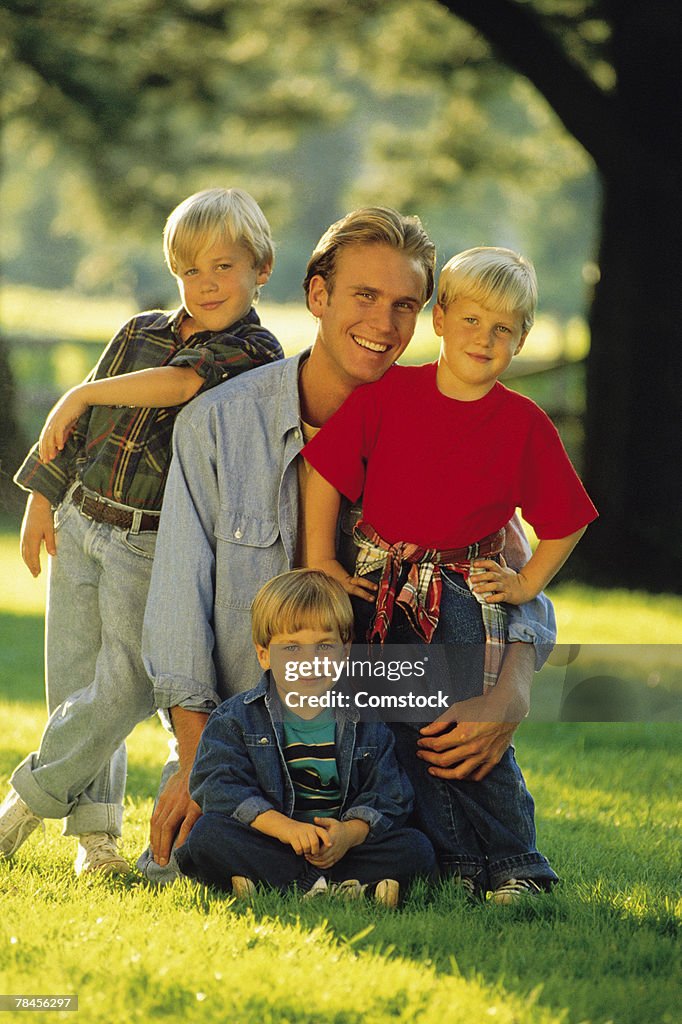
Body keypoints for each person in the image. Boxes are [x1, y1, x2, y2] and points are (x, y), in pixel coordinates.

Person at [139, 208, 557, 882]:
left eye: (405, 305)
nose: (385, 325)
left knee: (421, 854)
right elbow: (176, 606)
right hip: (257, 737)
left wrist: (510, 690)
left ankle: (468, 859)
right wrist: (194, 756)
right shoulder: (217, 426)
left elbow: (509, 576)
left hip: (377, 746)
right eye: (365, 296)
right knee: (189, 856)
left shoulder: (447, 425)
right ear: (317, 295)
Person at [0, 187, 283, 875]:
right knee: (74, 684)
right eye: (190, 269)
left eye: (223, 266)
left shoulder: (253, 349)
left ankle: (23, 803)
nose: (206, 284)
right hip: (82, 519)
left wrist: (83, 390)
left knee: (122, 686)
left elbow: (180, 385)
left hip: (148, 540)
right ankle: (97, 839)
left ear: (260, 270)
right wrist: (43, 498)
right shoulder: (137, 331)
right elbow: (78, 433)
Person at [302, 246, 598, 900]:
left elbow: (568, 518)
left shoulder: (523, 424)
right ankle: (460, 868)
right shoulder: (389, 395)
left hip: (462, 593)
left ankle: (519, 864)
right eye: (471, 321)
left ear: (521, 340)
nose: (484, 339)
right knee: (395, 735)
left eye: (502, 329)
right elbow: (324, 468)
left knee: (461, 727)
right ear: (441, 318)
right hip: (381, 590)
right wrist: (321, 559)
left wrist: (526, 584)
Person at [172, 569, 436, 905]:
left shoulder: (366, 717)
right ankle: (340, 889)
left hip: (339, 846)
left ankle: (285, 884)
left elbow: (389, 794)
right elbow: (219, 787)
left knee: (417, 849)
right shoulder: (235, 719)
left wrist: (348, 835)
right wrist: (288, 830)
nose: (309, 662)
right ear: (264, 654)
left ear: (345, 650)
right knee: (208, 836)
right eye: (292, 648)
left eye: (324, 646)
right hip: (273, 839)